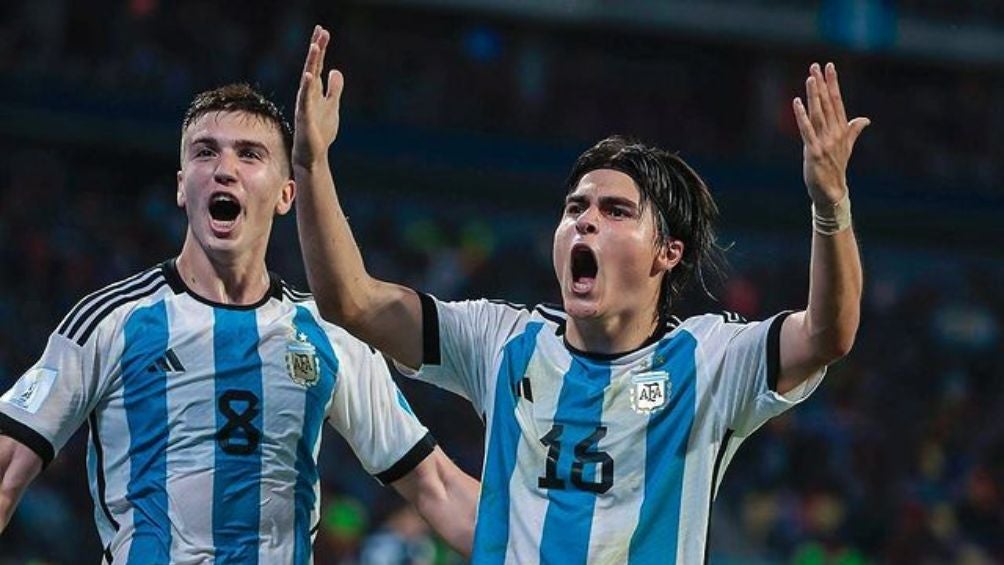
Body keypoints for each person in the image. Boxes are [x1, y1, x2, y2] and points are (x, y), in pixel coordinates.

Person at [293, 25, 867, 563]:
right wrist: (312, 164)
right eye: (575, 208)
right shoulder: (503, 341)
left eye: (616, 211)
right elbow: (353, 301)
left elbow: (827, 333)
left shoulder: (711, 360)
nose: (585, 223)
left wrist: (830, 204)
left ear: (668, 252)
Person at [0, 75, 479, 562]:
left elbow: (436, 487)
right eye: (205, 152)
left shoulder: (328, 336)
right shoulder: (112, 321)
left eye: (250, 155)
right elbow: (5, 470)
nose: (224, 168)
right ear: (182, 186)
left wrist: (549, 542)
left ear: (286, 195)